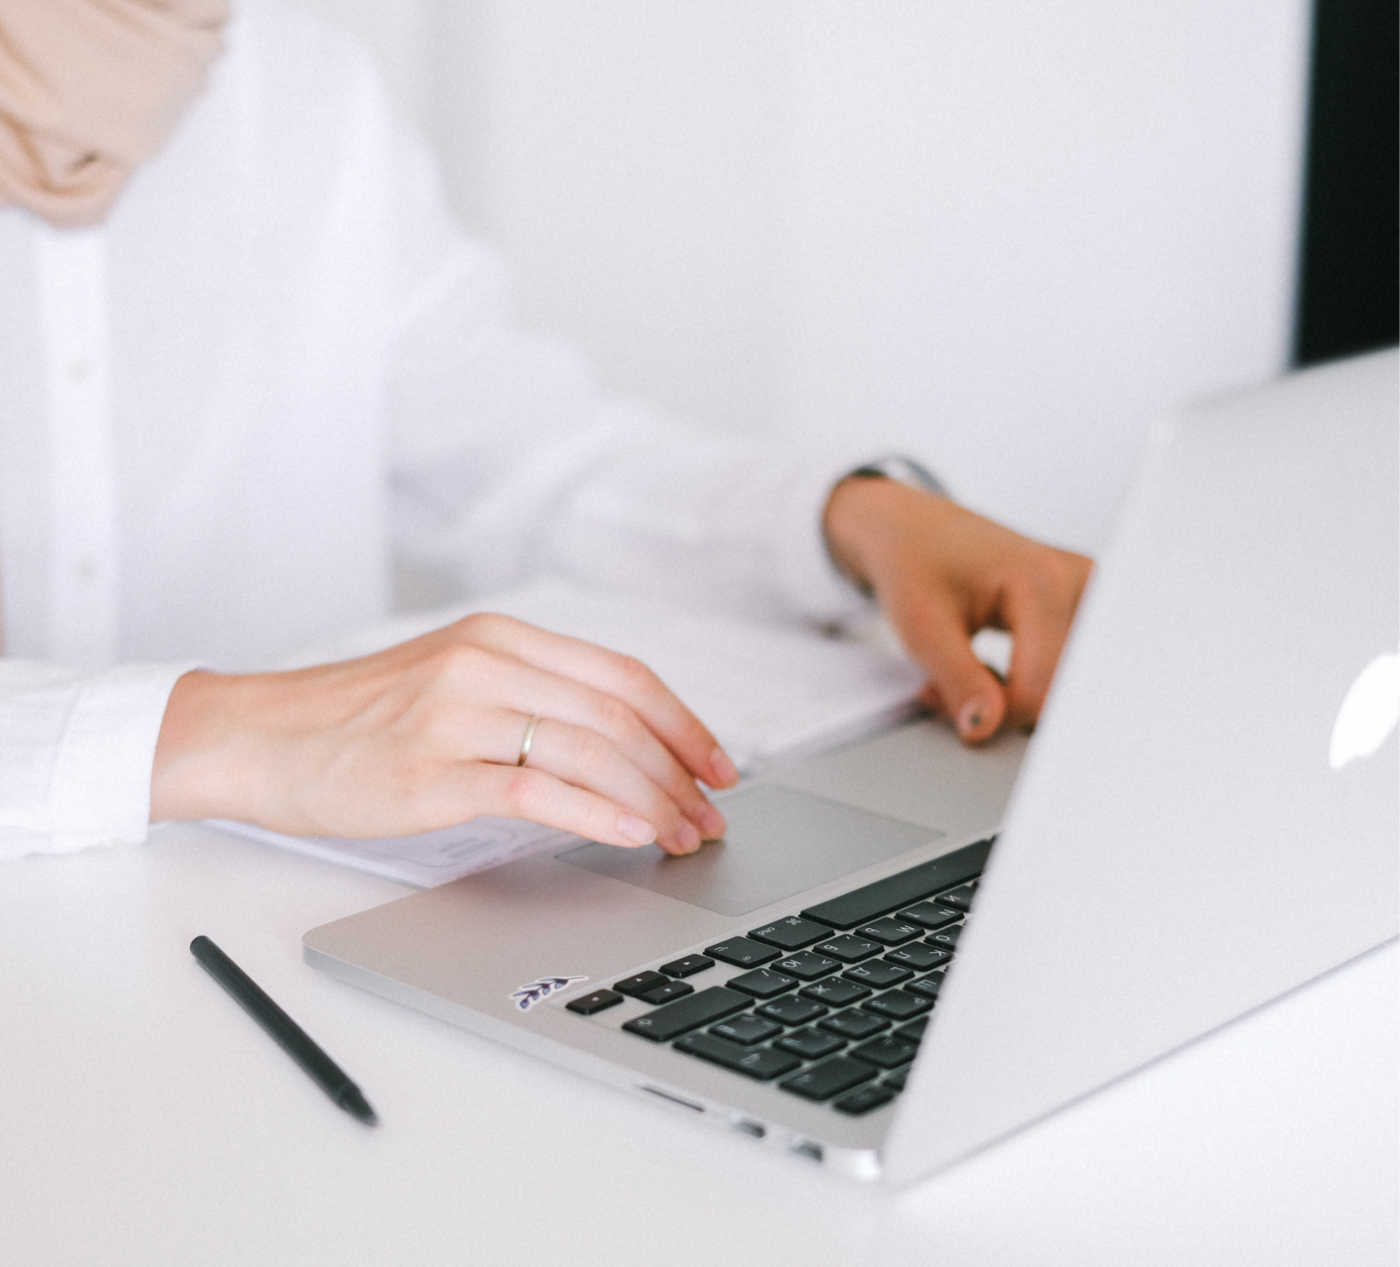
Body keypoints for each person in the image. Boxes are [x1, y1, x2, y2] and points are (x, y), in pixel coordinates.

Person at [0, 0, 1090, 862]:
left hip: (274, 948)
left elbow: (524, 462)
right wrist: (223, 731)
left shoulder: (306, 89)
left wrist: (846, 522)